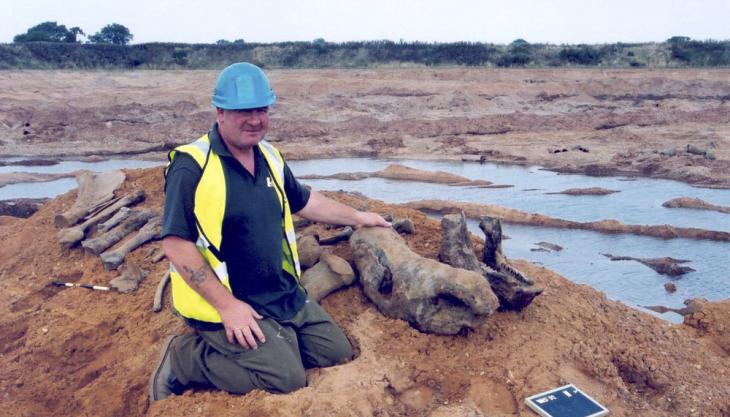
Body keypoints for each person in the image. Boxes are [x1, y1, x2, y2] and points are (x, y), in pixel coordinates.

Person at [150, 62, 390, 402]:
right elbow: (176, 244)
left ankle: (277, 340)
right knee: (287, 379)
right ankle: (184, 358)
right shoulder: (192, 166)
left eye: (261, 110)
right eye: (243, 111)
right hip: (229, 303)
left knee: (335, 352)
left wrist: (358, 217)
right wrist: (227, 307)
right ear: (220, 111)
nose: (255, 119)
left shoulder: (270, 156)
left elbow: (304, 201)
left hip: (279, 292)